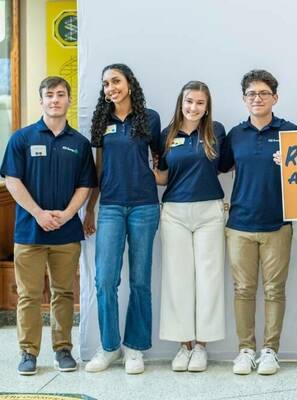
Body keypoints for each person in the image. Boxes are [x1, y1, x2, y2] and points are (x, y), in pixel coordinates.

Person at [0, 76, 97, 375]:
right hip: (29, 231)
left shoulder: (79, 144)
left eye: (60, 94)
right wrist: (39, 213)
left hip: (66, 233)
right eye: (49, 95)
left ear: (68, 100)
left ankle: (63, 349)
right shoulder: (22, 138)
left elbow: (86, 185)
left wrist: (68, 214)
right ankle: (28, 353)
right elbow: (12, 181)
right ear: (41, 100)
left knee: (64, 293)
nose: (55, 100)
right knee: (28, 295)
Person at [83, 63, 161, 374]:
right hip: (111, 207)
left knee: (140, 281)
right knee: (105, 281)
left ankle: (135, 348)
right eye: (105, 84)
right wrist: (90, 208)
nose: (110, 87)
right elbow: (99, 168)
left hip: (144, 206)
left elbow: (160, 160)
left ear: (129, 83)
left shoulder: (150, 118)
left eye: (116, 81)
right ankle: (109, 347)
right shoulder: (102, 121)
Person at [220, 70, 297, 375]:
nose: (257, 98)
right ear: (244, 99)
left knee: (275, 290)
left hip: (278, 224)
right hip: (239, 224)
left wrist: (291, 164)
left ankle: (269, 351)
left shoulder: (290, 131)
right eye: (251, 94)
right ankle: (246, 349)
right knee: (243, 290)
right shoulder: (235, 135)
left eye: (264, 93)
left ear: (275, 98)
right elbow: (221, 166)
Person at [153, 81, 226, 372]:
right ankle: (183, 345)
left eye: (199, 103)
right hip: (175, 212)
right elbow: (162, 177)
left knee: (209, 279)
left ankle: (201, 347)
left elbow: (225, 166)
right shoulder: (166, 135)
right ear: (180, 103)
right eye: (189, 102)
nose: (193, 107)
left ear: (207, 106)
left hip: (210, 211)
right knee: (177, 279)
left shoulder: (216, 131)